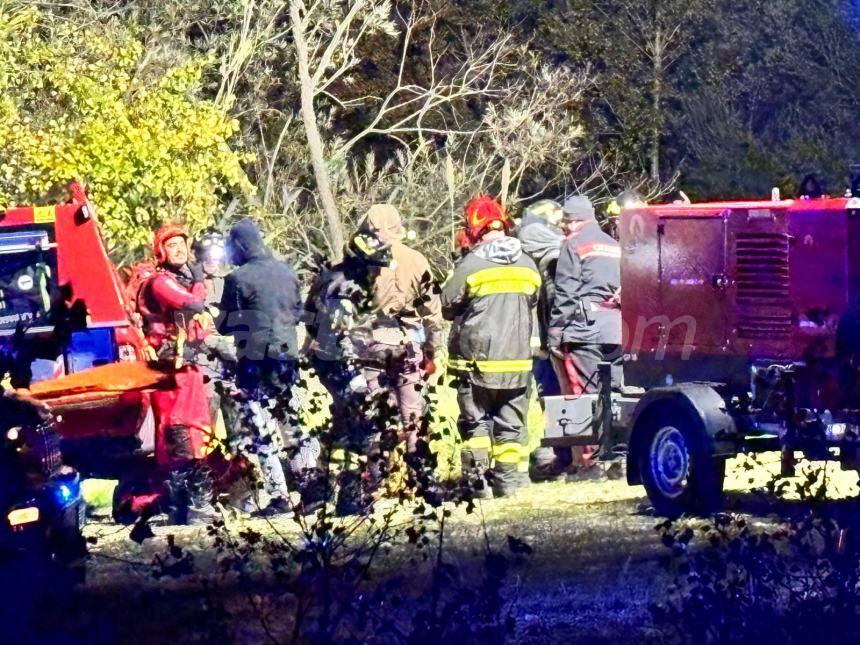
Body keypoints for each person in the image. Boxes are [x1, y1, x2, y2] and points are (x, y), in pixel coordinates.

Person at [442, 196, 541, 498]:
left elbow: (447, 304)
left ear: (474, 228)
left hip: (476, 363)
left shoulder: (471, 264)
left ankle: (479, 485)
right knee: (511, 425)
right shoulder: (528, 263)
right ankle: (507, 484)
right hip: (517, 363)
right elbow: (534, 302)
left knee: (477, 425)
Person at [304, 229, 395, 515]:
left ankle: (319, 491)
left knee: (344, 426)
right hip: (339, 364)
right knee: (361, 425)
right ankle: (350, 496)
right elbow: (341, 336)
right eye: (373, 268)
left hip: (328, 359)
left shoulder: (336, 277)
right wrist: (356, 373)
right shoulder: (344, 290)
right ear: (360, 264)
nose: (376, 275)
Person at [218, 218, 306, 516]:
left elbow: (226, 325)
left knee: (261, 427)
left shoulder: (237, 279)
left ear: (239, 246)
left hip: (254, 361)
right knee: (292, 424)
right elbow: (298, 312)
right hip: (286, 357)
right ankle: (309, 487)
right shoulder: (287, 272)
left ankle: (280, 494)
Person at [139, 224, 217, 525]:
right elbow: (191, 304)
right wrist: (199, 282)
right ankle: (188, 505)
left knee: (194, 429)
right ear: (161, 252)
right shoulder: (161, 282)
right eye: (172, 246)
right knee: (180, 430)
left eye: (182, 244)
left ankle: (186, 505)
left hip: (187, 365)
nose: (180, 250)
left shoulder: (181, 279)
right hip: (171, 370)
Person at [356, 204, 443, 457]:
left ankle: (379, 480)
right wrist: (431, 350)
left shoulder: (363, 262)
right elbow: (433, 311)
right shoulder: (417, 259)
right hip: (410, 342)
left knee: (379, 414)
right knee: (413, 414)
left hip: (374, 344)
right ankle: (418, 476)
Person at [515, 198, 573, 481]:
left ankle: (560, 455)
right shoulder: (552, 245)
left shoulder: (542, 251)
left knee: (552, 395)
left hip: (547, 340)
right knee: (554, 395)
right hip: (551, 339)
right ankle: (560, 454)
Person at [548, 195, 622, 395]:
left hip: (585, 331)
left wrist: (555, 330)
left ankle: (594, 427)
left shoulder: (573, 244)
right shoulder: (613, 244)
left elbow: (567, 292)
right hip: (615, 330)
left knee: (589, 398)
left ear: (572, 222)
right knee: (613, 395)